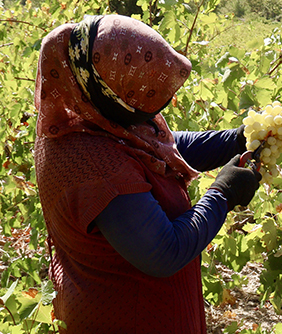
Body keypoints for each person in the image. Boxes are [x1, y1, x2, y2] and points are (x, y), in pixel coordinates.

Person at [33, 15, 261, 333]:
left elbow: (156, 147)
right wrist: (223, 193)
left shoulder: (81, 115)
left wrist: (234, 140)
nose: (155, 113)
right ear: (111, 95)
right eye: (145, 100)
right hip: (129, 320)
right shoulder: (98, 168)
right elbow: (163, 252)